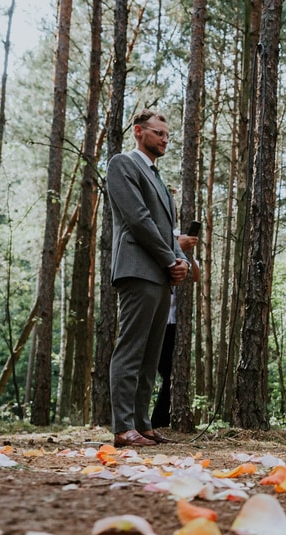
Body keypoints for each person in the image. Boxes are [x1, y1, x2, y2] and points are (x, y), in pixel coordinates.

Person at [106, 109, 195, 447]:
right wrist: (170, 257)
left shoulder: (158, 178)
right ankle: (122, 427)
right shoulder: (122, 164)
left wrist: (182, 259)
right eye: (158, 132)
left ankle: (142, 423)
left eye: (167, 134)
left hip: (161, 273)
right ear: (138, 131)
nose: (164, 138)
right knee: (131, 348)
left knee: (151, 354)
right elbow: (139, 220)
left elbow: (168, 230)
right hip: (137, 268)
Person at [151, 237, 200, 429]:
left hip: (175, 323)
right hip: (156, 317)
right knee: (158, 370)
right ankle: (150, 421)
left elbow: (195, 276)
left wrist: (186, 254)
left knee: (171, 372)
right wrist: (176, 246)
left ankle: (158, 421)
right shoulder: (163, 237)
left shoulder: (181, 240)